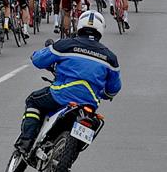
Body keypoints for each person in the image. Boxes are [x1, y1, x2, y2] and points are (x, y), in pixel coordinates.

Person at [13, 11, 121, 154]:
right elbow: (114, 88)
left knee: (33, 100)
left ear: (79, 25)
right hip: (89, 104)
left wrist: (36, 55)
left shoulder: (66, 45)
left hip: (62, 95)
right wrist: (105, 94)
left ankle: (26, 141)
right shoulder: (110, 57)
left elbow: (39, 60)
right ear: (101, 30)